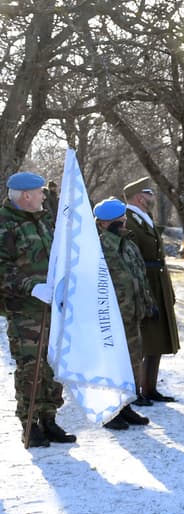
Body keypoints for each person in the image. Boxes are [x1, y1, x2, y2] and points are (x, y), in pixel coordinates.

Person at [0, 171, 75, 447]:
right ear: (26, 196)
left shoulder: (43, 221)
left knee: (53, 365)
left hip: (52, 308)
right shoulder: (5, 225)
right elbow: (2, 269)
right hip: (25, 311)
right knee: (31, 368)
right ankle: (29, 424)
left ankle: (49, 418)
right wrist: (32, 286)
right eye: (41, 192)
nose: (45, 196)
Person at [93, 197, 155, 430]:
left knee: (132, 362)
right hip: (110, 317)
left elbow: (139, 276)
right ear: (102, 224)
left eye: (122, 220)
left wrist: (148, 303)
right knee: (112, 364)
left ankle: (125, 405)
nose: (122, 224)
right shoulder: (98, 248)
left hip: (131, 315)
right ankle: (110, 411)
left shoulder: (128, 244)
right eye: (116, 221)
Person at [124, 177, 179, 406]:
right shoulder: (128, 219)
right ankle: (136, 389)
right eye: (149, 194)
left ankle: (150, 388)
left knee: (157, 339)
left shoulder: (144, 218)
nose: (153, 198)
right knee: (143, 340)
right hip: (144, 282)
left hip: (157, 282)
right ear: (139, 196)